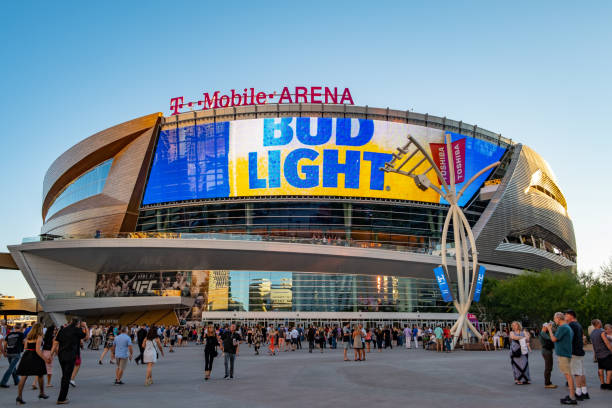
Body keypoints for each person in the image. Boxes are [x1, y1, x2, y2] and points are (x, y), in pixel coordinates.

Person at [52, 317, 88, 404]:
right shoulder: (77, 330)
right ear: (78, 323)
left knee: (64, 375)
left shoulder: (62, 330)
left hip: (61, 355)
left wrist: (51, 354)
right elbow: (86, 337)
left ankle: (62, 396)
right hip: (70, 355)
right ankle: (61, 398)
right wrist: (86, 327)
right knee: (66, 377)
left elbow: (56, 342)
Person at [544, 312, 576, 405]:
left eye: (555, 319)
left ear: (558, 318)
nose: (554, 320)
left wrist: (549, 329)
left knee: (568, 376)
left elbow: (554, 339)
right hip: (566, 353)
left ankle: (572, 397)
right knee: (568, 375)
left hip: (563, 354)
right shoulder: (567, 327)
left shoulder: (562, 327)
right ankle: (571, 395)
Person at [15, 323, 49, 404]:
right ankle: (41, 393)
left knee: (24, 376)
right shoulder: (39, 336)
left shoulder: (28, 337)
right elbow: (38, 350)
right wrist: (45, 359)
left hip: (27, 355)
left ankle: (19, 396)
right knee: (40, 374)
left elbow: (25, 347)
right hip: (35, 356)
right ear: (40, 328)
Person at [565, 310, 589, 400]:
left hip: (574, 351)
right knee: (581, 372)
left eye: (566, 315)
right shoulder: (578, 324)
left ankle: (578, 393)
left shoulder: (571, 325)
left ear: (571, 316)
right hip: (580, 351)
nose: (565, 317)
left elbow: (569, 339)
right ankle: (584, 391)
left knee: (576, 373)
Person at [589, 319, 612, 390]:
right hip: (605, 353)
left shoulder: (592, 333)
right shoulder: (601, 332)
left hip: (598, 354)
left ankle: (602, 384)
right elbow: (606, 342)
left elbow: (593, 344)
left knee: (600, 368)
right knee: (609, 369)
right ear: (598, 323)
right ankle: (608, 384)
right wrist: (611, 350)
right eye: (600, 322)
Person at [0, 323, 24, 389]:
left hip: (9, 353)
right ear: (20, 328)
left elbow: (5, 343)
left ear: (14, 328)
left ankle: (17, 381)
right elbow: (24, 342)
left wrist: (4, 352)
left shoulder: (9, 334)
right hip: (16, 353)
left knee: (13, 367)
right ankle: (3, 382)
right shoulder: (21, 334)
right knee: (11, 368)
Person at [539, 322, 557, 388]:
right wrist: (550, 330)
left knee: (549, 367)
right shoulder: (543, 333)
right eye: (548, 327)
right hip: (546, 351)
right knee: (548, 367)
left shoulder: (544, 333)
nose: (550, 328)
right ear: (545, 327)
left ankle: (548, 382)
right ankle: (547, 383)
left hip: (547, 351)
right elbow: (551, 339)